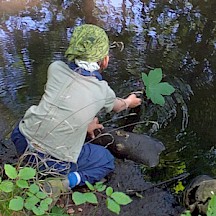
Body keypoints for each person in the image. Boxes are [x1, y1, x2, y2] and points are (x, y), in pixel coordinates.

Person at [11, 24, 141, 192]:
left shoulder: (55, 68)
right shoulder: (102, 90)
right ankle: (64, 183)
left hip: (21, 140)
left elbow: (64, 104)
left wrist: (86, 125)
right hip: (53, 161)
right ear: (105, 60)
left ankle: (24, 166)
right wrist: (129, 102)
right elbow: (118, 106)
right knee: (106, 160)